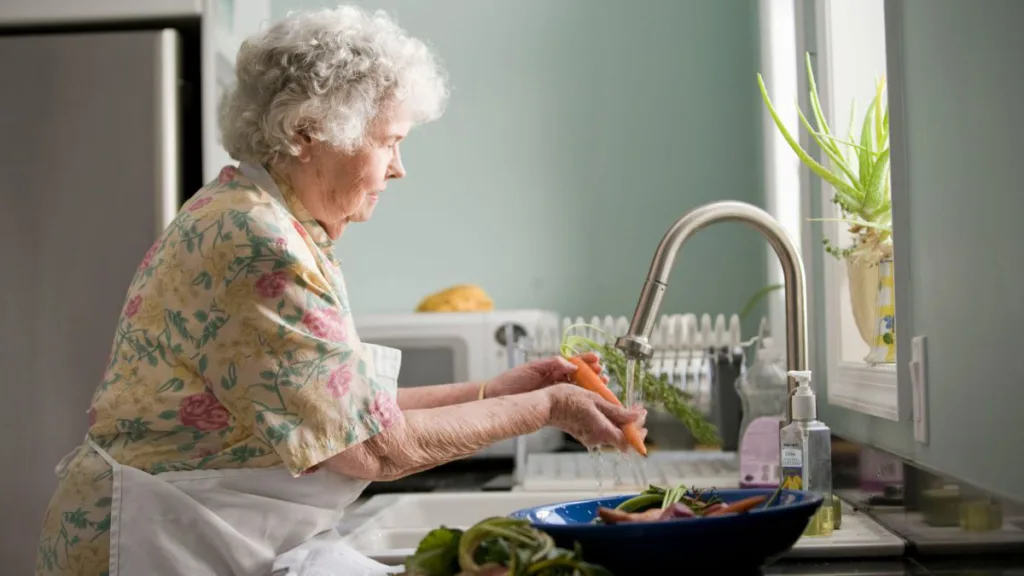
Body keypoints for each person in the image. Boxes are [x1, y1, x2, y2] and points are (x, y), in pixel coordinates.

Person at [35, 5, 646, 576]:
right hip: (152, 543)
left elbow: (346, 411)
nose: (399, 167)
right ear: (307, 132)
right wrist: (547, 408)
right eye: (389, 141)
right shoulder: (257, 242)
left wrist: (499, 389)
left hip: (196, 529)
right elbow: (374, 449)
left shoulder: (264, 220)